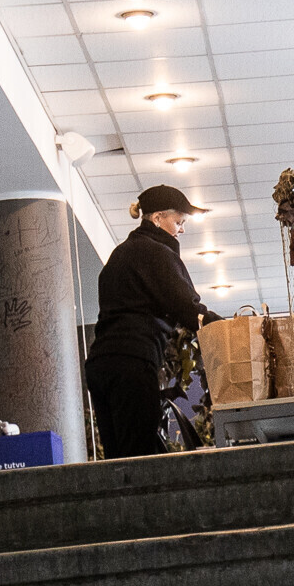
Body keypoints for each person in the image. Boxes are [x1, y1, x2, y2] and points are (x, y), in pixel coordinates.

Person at [87, 184, 217, 455]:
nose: (181, 230)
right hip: (132, 362)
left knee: (116, 456)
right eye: (179, 222)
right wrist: (224, 327)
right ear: (157, 218)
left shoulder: (120, 254)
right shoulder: (156, 252)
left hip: (100, 363)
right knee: (140, 453)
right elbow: (187, 307)